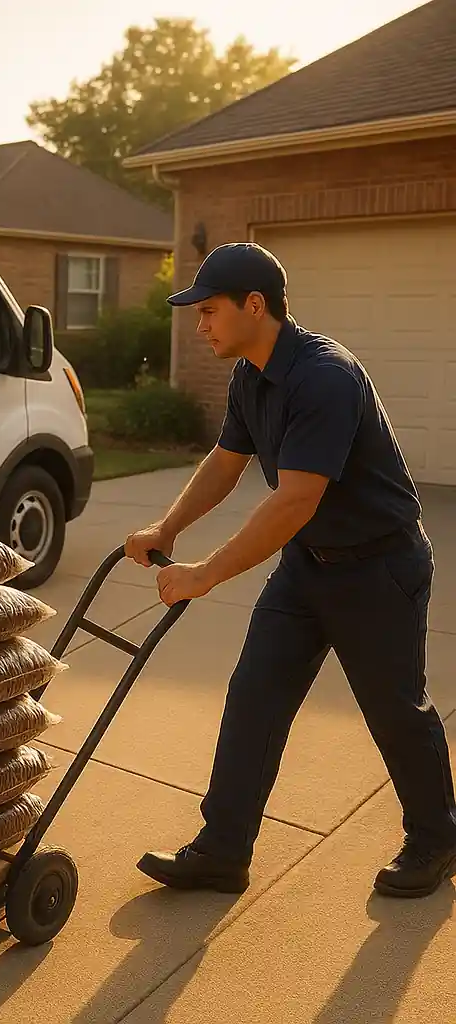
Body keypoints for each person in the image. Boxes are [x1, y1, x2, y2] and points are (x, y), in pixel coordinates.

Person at [125, 241, 456, 899]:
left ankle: (438, 838)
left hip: (379, 568)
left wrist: (204, 574)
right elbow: (226, 464)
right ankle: (222, 850)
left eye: (210, 310)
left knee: (395, 711)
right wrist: (168, 529)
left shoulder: (324, 376)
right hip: (309, 568)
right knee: (255, 696)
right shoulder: (251, 375)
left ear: (256, 306)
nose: (201, 325)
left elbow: (295, 500)